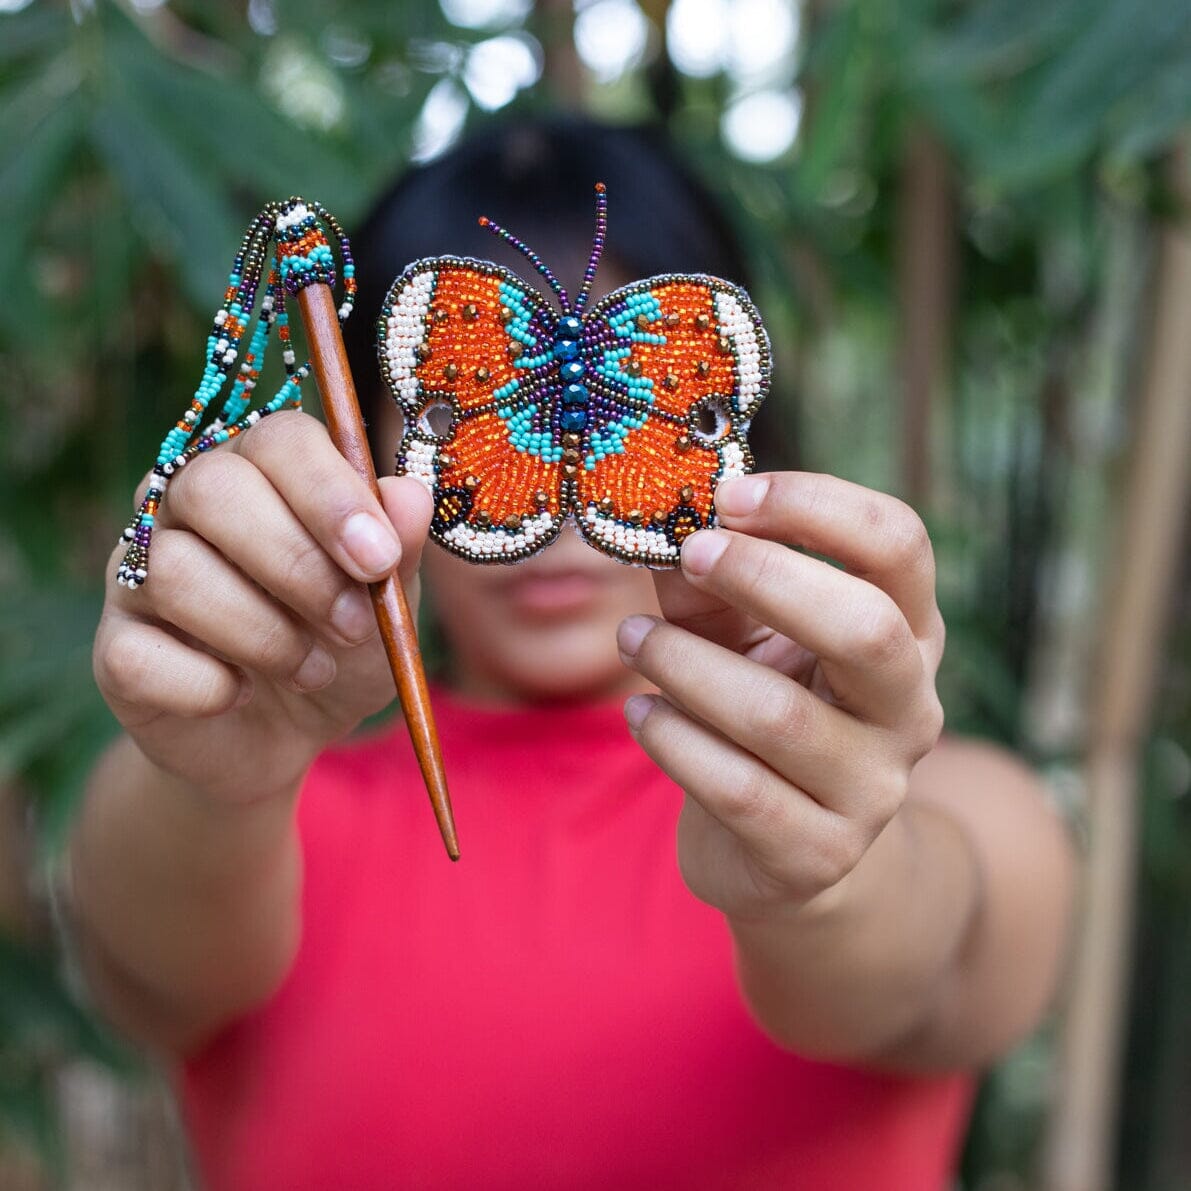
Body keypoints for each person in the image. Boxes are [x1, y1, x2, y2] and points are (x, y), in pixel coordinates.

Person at [75, 117, 1075, 1189]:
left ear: (734, 419)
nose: (558, 515)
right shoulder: (242, 818)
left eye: (623, 405)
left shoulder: (937, 801)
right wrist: (213, 783)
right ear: (359, 447)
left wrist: (821, 876)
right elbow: (141, 962)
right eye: (454, 406)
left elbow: (925, 970)